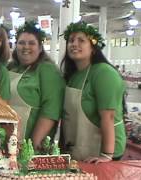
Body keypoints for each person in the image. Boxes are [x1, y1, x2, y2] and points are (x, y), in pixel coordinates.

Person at [60, 21, 126, 163]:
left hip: (102, 149)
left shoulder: (104, 73)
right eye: (71, 40)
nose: (74, 44)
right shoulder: (73, 75)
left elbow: (108, 117)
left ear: (93, 48)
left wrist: (106, 155)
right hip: (80, 145)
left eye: (81, 40)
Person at [8, 20, 65, 149]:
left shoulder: (48, 70)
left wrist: (32, 146)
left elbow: (50, 111)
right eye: (21, 43)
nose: (26, 47)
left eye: (31, 43)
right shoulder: (11, 68)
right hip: (8, 143)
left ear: (40, 48)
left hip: (31, 145)